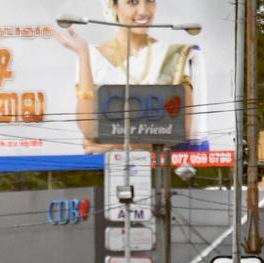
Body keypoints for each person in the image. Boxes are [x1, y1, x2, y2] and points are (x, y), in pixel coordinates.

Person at [54, 0, 209, 152]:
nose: (143, 11)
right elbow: (89, 130)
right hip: (103, 169)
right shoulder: (91, 55)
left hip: (160, 170)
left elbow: (180, 131)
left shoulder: (172, 56)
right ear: (113, 6)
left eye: (149, 1)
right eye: (132, 2)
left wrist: (113, 146)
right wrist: (83, 54)